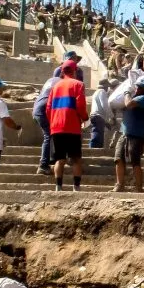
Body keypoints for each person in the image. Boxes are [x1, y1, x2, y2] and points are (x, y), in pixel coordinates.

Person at [46, 60, 89, 191]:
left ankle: (58, 186)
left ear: (62, 71)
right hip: (72, 127)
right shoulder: (78, 84)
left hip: (56, 127)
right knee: (76, 159)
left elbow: (48, 109)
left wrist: (53, 122)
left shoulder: (55, 87)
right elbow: (80, 105)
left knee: (59, 159)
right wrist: (85, 117)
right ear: (75, 71)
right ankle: (76, 187)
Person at [114, 76, 144, 193]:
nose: (137, 89)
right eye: (136, 86)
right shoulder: (136, 96)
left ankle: (139, 188)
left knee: (135, 161)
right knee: (118, 158)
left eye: (140, 87)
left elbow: (128, 104)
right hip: (125, 133)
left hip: (136, 135)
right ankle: (119, 185)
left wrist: (126, 93)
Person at [32, 73, 61, 174]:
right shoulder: (60, 83)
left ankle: (52, 158)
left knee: (52, 134)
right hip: (44, 110)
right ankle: (43, 165)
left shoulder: (50, 81)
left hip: (37, 109)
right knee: (48, 135)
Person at [89, 78, 116, 149]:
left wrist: (106, 122)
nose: (108, 88)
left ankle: (95, 147)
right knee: (97, 133)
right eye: (108, 86)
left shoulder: (96, 92)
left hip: (95, 115)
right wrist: (112, 116)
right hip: (98, 116)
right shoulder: (102, 92)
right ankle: (94, 149)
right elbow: (104, 106)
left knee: (98, 133)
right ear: (105, 86)